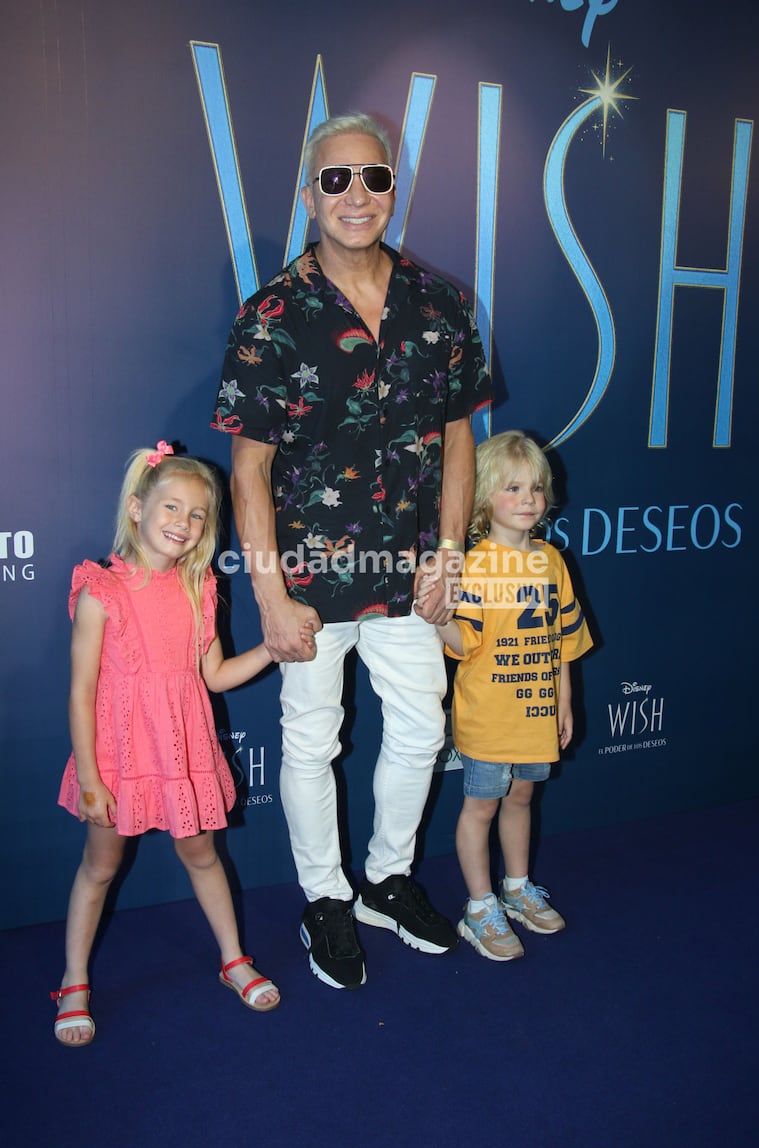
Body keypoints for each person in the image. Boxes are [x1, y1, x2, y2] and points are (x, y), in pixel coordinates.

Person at [212, 112, 492, 990]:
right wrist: (267, 593)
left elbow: (459, 442)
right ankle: (324, 897)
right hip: (309, 576)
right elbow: (247, 470)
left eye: (371, 178)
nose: (355, 195)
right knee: (309, 739)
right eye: (335, 181)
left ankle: (385, 879)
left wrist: (449, 551)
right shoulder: (270, 315)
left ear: (391, 188)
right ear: (308, 197)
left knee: (418, 733)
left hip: (411, 569)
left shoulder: (441, 303)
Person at [51, 443, 312, 1046]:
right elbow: (81, 691)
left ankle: (232, 958)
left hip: (181, 751)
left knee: (202, 856)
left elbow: (214, 676)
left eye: (197, 515)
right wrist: (91, 777)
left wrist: (272, 648)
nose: (184, 524)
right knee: (100, 866)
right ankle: (73, 979)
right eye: (172, 507)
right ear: (137, 508)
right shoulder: (101, 589)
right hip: (117, 755)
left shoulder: (199, 591)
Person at [432, 431, 593, 960]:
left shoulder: (552, 561)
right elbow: (464, 642)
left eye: (537, 488)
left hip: (538, 714)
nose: (528, 499)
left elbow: (564, 642)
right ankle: (479, 907)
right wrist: (437, 618)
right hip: (488, 718)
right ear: (483, 499)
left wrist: (564, 702)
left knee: (522, 798)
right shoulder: (474, 565)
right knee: (480, 806)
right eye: (513, 488)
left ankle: (517, 887)